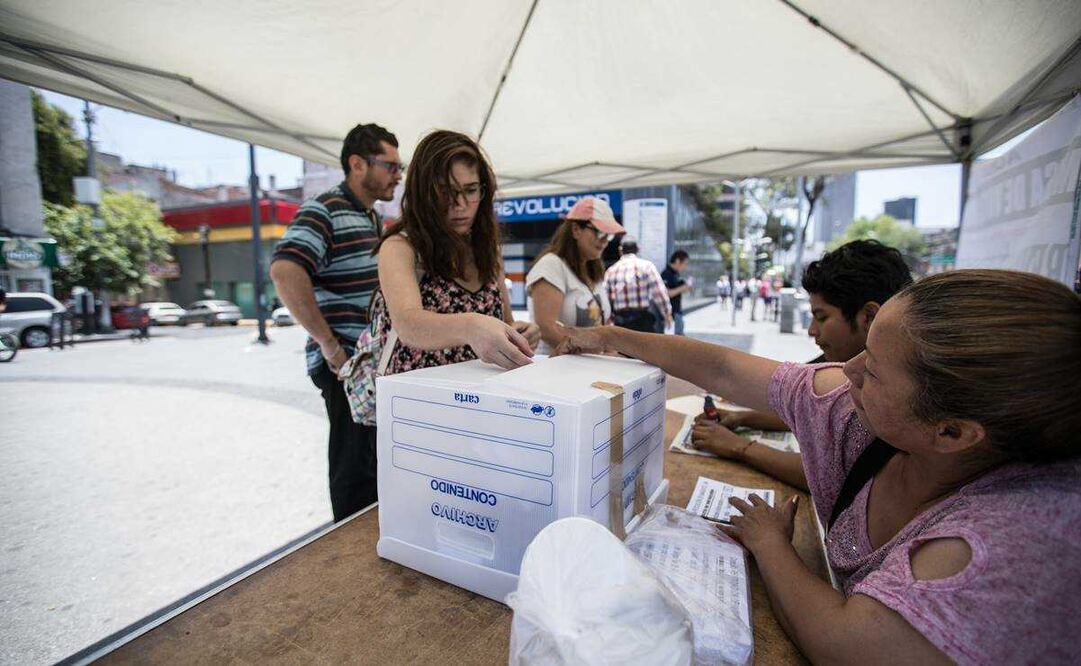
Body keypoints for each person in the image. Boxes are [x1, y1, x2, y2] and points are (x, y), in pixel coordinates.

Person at [555, 269, 1081, 664]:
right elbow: (724, 367)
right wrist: (613, 338)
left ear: (951, 432)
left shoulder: (1014, 542)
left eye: (871, 370)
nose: (844, 370)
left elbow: (842, 645)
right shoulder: (869, 412)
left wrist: (770, 545)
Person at [694, 240, 914, 486]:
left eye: (822, 317)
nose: (811, 331)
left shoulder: (896, 398)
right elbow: (809, 410)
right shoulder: (876, 373)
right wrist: (743, 418)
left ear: (870, 316)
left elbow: (830, 476)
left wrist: (740, 447)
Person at [269, 122, 402, 522]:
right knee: (354, 469)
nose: (398, 175)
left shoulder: (370, 217)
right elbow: (285, 270)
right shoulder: (324, 209)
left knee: (373, 465)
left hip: (366, 362)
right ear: (357, 164)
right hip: (346, 363)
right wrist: (329, 345)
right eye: (390, 165)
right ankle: (351, 557)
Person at [374, 129, 540, 380]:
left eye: (471, 190)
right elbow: (408, 324)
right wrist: (471, 325)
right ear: (423, 192)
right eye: (446, 192)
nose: (460, 204)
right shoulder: (400, 247)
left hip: (483, 400)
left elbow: (506, 320)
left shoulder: (488, 248)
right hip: (420, 403)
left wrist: (521, 333)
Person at [526, 197, 621, 354]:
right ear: (576, 229)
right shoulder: (551, 265)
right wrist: (594, 351)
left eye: (609, 236)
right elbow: (546, 328)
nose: (605, 241)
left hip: (591, 367)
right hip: (559, 370)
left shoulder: (592, 270)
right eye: (600, 232)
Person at [604, 236, 672, 333]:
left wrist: (608, 321)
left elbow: (605, 300)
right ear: (638, 249)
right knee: (644, 348)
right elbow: (659, 292)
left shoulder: (611, 271)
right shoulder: (647, 267)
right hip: (642, 321)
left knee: (623, 348)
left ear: (620, 250)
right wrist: (667, 314)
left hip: (620, 323)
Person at [661, 250, 691, 336]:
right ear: (677, 261)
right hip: (672, 313)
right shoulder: (666, 274)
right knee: (678, 340)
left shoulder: (676, 274)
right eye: (685, 263)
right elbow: (667, 294)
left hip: (677, 311)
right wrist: (682, 288)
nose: (685, 267)